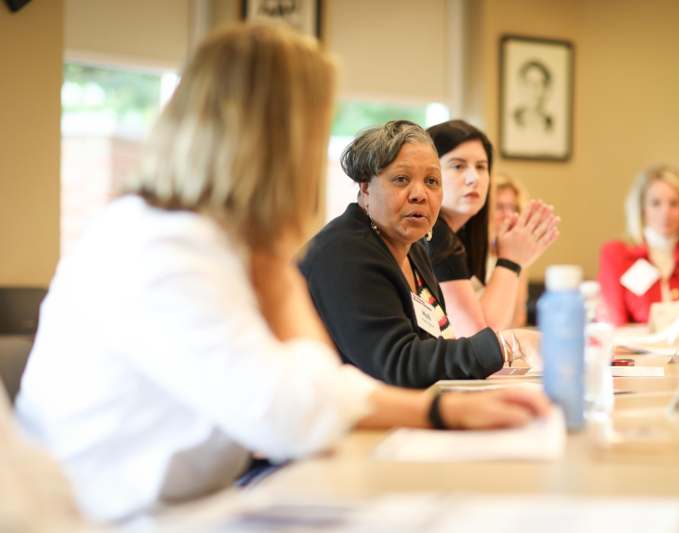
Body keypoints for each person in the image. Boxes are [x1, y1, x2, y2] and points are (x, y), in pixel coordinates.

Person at [14, 24, 550, 523]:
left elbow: (323, 388)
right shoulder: (160, 250)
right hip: (115, 518)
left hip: (190, 501)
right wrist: (277, 274)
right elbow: (290, 416)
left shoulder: (211, 239)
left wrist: (443, 413)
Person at [301, 121, 540, 389]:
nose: (420, 194)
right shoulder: (345, 253)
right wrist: (509, 345)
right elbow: (399, 362)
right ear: (366, 187)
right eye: (401, 179)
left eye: (431, 181)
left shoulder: (414, 249)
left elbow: (432, 346)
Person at [426, 120, 559, 337]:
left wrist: (517, 261)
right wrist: (511, 261)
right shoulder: (434, 235)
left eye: (481, 166)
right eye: (458, 166)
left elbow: (511, 323)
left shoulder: (460, 236)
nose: (474, 178)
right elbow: (479, 336)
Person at [598, 164, 679, 325]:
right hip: (634, 348)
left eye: (674, 204)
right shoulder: (616, 255)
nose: (665, 212)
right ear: (641, 209)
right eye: (656, 203)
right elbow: (614, 321)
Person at [490, 174, 531, 328]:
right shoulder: (469, 253)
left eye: (513, 208)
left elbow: (518, 317)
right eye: (499, 207)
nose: (507, 215)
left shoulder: (517, 257)